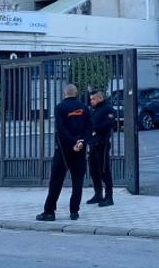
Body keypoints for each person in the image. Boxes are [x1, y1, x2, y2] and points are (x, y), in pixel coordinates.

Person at [37, 84, 89, 222]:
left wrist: (72, 143)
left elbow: (61, 129)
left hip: (64, 150)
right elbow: (89, 128)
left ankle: (49, 211)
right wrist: (80, 142)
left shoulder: (60, 107)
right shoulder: (84, 108)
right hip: (80, 149)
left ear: (64, 93)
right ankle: (74, 212)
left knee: (56, 181)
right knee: (78, 181)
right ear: (76, 92)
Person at [86, 90, 116, 207]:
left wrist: (94, 128)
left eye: (93, 99)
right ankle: (98, 194)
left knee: (104, 170)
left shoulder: (107, 109)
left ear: (100, 98)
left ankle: (109, 197)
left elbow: (109, 123)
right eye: (91, 99)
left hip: (102, 143)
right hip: (93, 144)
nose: (91, 101)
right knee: (93, 170)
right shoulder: (94, 110)